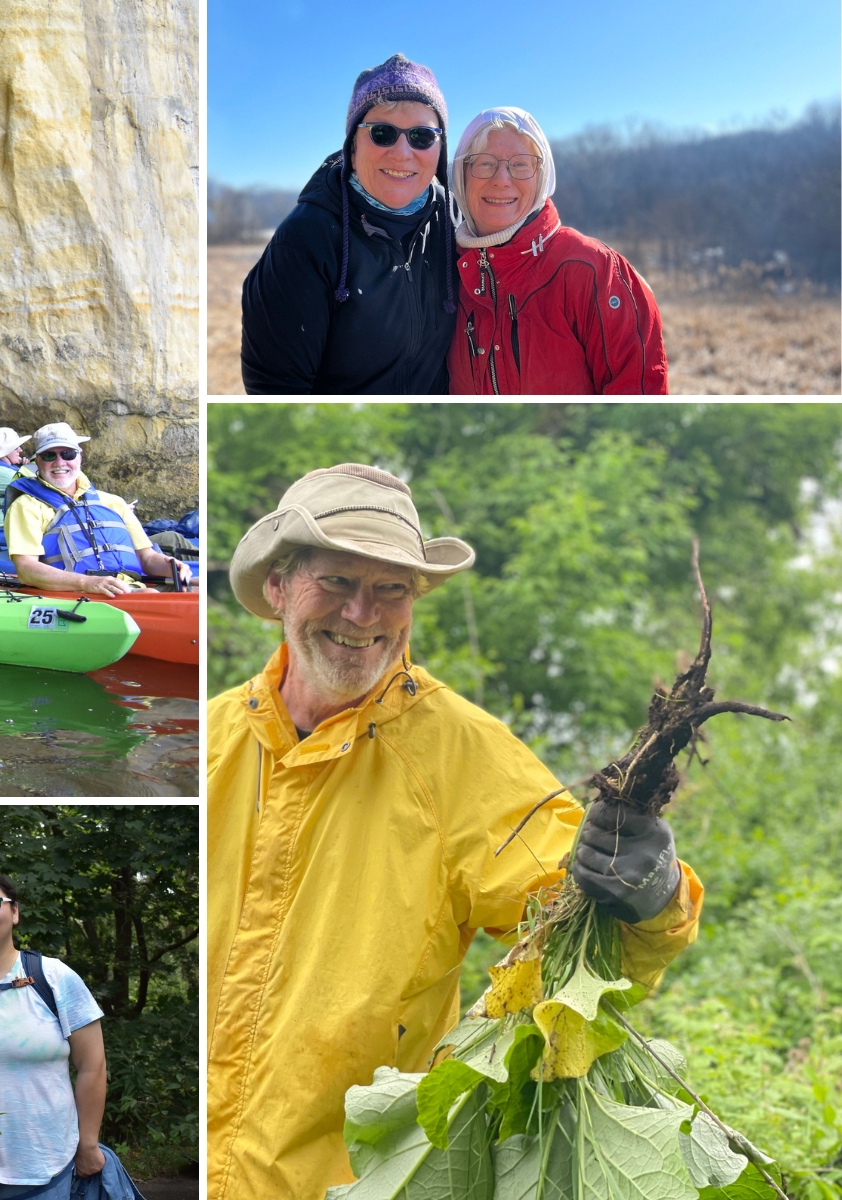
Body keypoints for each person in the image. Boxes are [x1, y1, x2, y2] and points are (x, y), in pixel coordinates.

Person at [206, 463, 704, 1198]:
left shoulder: (457, 753)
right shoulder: (212, 738)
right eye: (337, 581)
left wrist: (651, 892)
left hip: (346, 1184)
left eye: (391, 589)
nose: (362, 614)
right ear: (278, 586)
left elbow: (586, 928)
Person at [241, 54, 456, 394]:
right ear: (352, 147)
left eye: (422, 136)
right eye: (382, 133)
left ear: (440, 148)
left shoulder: (455, 223)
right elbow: (276, 389)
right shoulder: (305, 239)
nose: (402, 153)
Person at [0, 867, 132, 1200]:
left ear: (14, 912)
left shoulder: (54, 978)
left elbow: (93, 1066)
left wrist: (88, 1143)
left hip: (42, 1168)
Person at [448, 107, 667, 393]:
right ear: (461, 175)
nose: (501, 179)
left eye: (521, 164)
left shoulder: (595, 271)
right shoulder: (445, 271)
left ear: (542, 177)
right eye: (484, 163)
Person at [4, 423, 192, 597]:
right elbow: (26, 570)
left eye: (68, 454)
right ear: (37, 461)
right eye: (49, 455)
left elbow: (147, 558)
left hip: (129, 589)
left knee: (197, 589)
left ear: (80, 457)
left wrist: (171, 567)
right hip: (77, 596)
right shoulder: (26, 506)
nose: (59, 462)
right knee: (150, 596)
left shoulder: (113, 502)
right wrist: (87, 583)